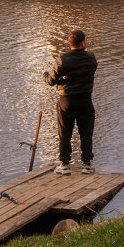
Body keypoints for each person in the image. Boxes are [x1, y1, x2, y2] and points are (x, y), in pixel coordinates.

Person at [43, 29, 98, 175]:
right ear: (82, 42)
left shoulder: (62, 59)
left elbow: (51, 81)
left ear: (70, 44)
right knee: (86, 133)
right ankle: (86, 165)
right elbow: (90, 72)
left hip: (66, 102)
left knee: (65, 133)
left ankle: (65, 165)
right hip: (85, 101)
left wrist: (45, 75)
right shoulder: (91, 58)